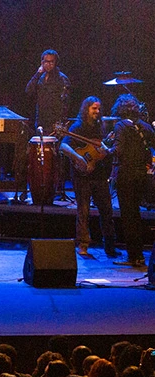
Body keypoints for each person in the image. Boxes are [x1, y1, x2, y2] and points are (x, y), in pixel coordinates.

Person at [60, 97, 116, 258]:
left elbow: (104, 150)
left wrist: (106, 150)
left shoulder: (102, 127)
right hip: (81, 175)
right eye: (94, 109)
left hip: (100, 174)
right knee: (83, 211)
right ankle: (83, 245)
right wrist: (79, 158)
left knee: (106, 210)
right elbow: (63, 146)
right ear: (86, 109)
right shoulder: (77, 127)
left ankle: (110, 246)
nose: (97, 112)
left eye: (98, 109)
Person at [107, 93, 154, 267]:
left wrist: (106, 148)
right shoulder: (145, 126)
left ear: (120, 109)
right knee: (136, 216)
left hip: (126, 176)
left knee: (128, 217)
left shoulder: (120, 126)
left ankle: (133, 257)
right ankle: (140, 256)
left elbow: (118, 150)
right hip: (141, 175)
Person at [24, 49, 70, 133]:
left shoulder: (62, 78)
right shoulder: (40, 77)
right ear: (42, 62)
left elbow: (65, 104)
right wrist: (38, 73)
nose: (48, 65)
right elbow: (29, 90)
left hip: (54, 123)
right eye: (46, 62)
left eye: (51, 62)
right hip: (41, 121)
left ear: (56, 62)